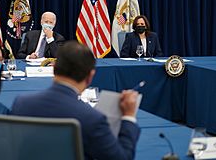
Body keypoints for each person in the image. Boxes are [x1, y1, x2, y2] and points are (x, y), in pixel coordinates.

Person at [11, 41, 140, 160]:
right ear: (90, 77)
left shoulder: (21, 104)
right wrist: (129, 117)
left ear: (54, 68)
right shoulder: (92, 119)